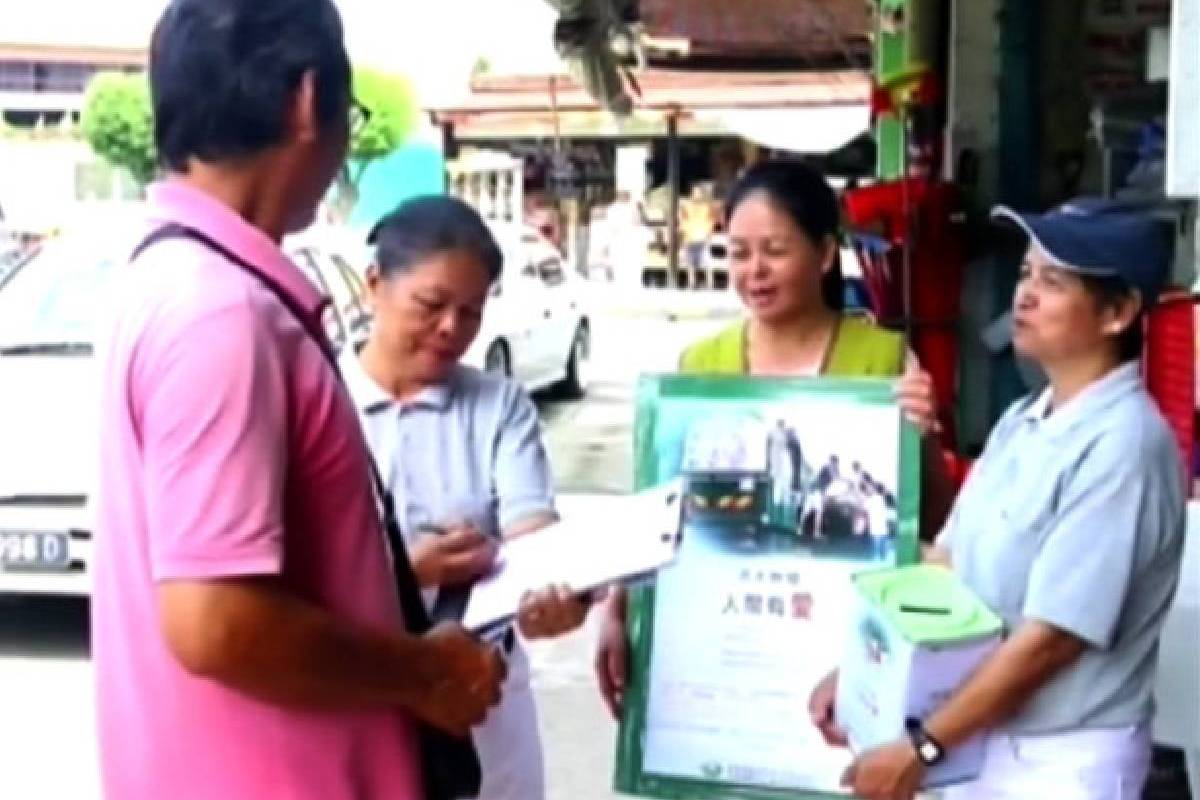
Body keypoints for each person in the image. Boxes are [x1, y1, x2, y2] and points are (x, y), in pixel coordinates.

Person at [91, 2, 503, 798]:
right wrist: (422, 670)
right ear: (308, 101)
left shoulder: (165, 279)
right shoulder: (221, 313)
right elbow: (216, 622)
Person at [811, 201, 1185, 800]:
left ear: (1118, 313)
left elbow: (1050, 641)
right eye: (1026, 274)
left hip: (1062, 763)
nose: (1026, 295)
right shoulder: (1022, 421)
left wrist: (925, 745)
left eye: (1053, 282)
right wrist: (862, 678)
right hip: (978, 742)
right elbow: (947, 567)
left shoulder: (1125, 445)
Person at [595, 159, 950, 716]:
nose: (754, 271)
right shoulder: (701, 366)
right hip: (725, 652)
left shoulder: (882, 363)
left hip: (848, 655)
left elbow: (925, 523)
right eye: (738, 253)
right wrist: (617, 610)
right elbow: (659, 511)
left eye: (775, 251)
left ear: (826, 254)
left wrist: (923, 437)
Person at [342, 195, 591, 800]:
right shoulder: (323, 399)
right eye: (431, 305)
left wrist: (558, 591)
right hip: (358, 696)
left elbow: (535, 542)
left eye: (472, 312)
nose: (452, 327)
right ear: (375, 285)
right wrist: (409, 572)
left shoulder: (499, 406)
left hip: (484, 703)